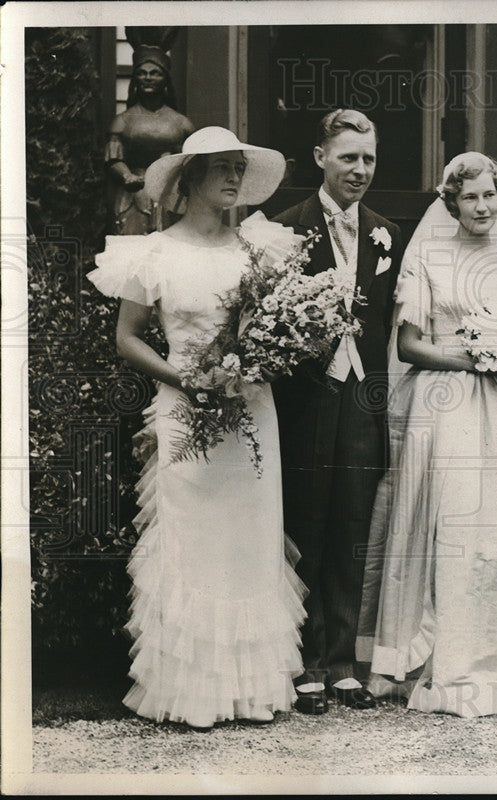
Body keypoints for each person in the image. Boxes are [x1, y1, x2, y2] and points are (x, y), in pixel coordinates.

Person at [88, 126, 305, 730]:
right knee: (190, 541)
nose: (234, 179)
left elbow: (275, 330)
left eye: (239, 168)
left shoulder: (258, 248)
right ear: (190, 180)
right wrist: (184, 379)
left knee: (248, 541)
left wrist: (258, 358)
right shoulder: (154, 252)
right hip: (184, 412)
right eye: (222, 169)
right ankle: (188, 689)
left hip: (250, 412)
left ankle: (252, 690)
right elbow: (126, 337)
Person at [355, 152, 497, 718]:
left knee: (496, 521)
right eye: (471, 197)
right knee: (452, 517)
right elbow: (408, 345)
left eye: (491, 195)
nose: (483, 206)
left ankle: (496, 647)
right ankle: (438, 656)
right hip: (445, 403)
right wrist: (469, 359)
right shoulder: (429, 263)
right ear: (451, 203)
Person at [271, 109, 403, 714]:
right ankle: (305, 661)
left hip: (361, 395)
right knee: (307, 522)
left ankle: (344, 661)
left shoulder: (384, 232)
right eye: (348, 156)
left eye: (369, 158)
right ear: (321, 156)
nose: (360, 169)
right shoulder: (283, 229)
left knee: (353, 523)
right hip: (306, 395)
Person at [105, 28, 194, 235]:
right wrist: (127, 176)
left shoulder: (181, 124)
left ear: (165, 79)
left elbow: (190, 163)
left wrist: (172, 164)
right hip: (133, 195)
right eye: (142, 73)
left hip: (171, 195)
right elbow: (112, 159)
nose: (148, 77)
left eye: (155, 73)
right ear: (135, 78)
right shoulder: (122, 121)